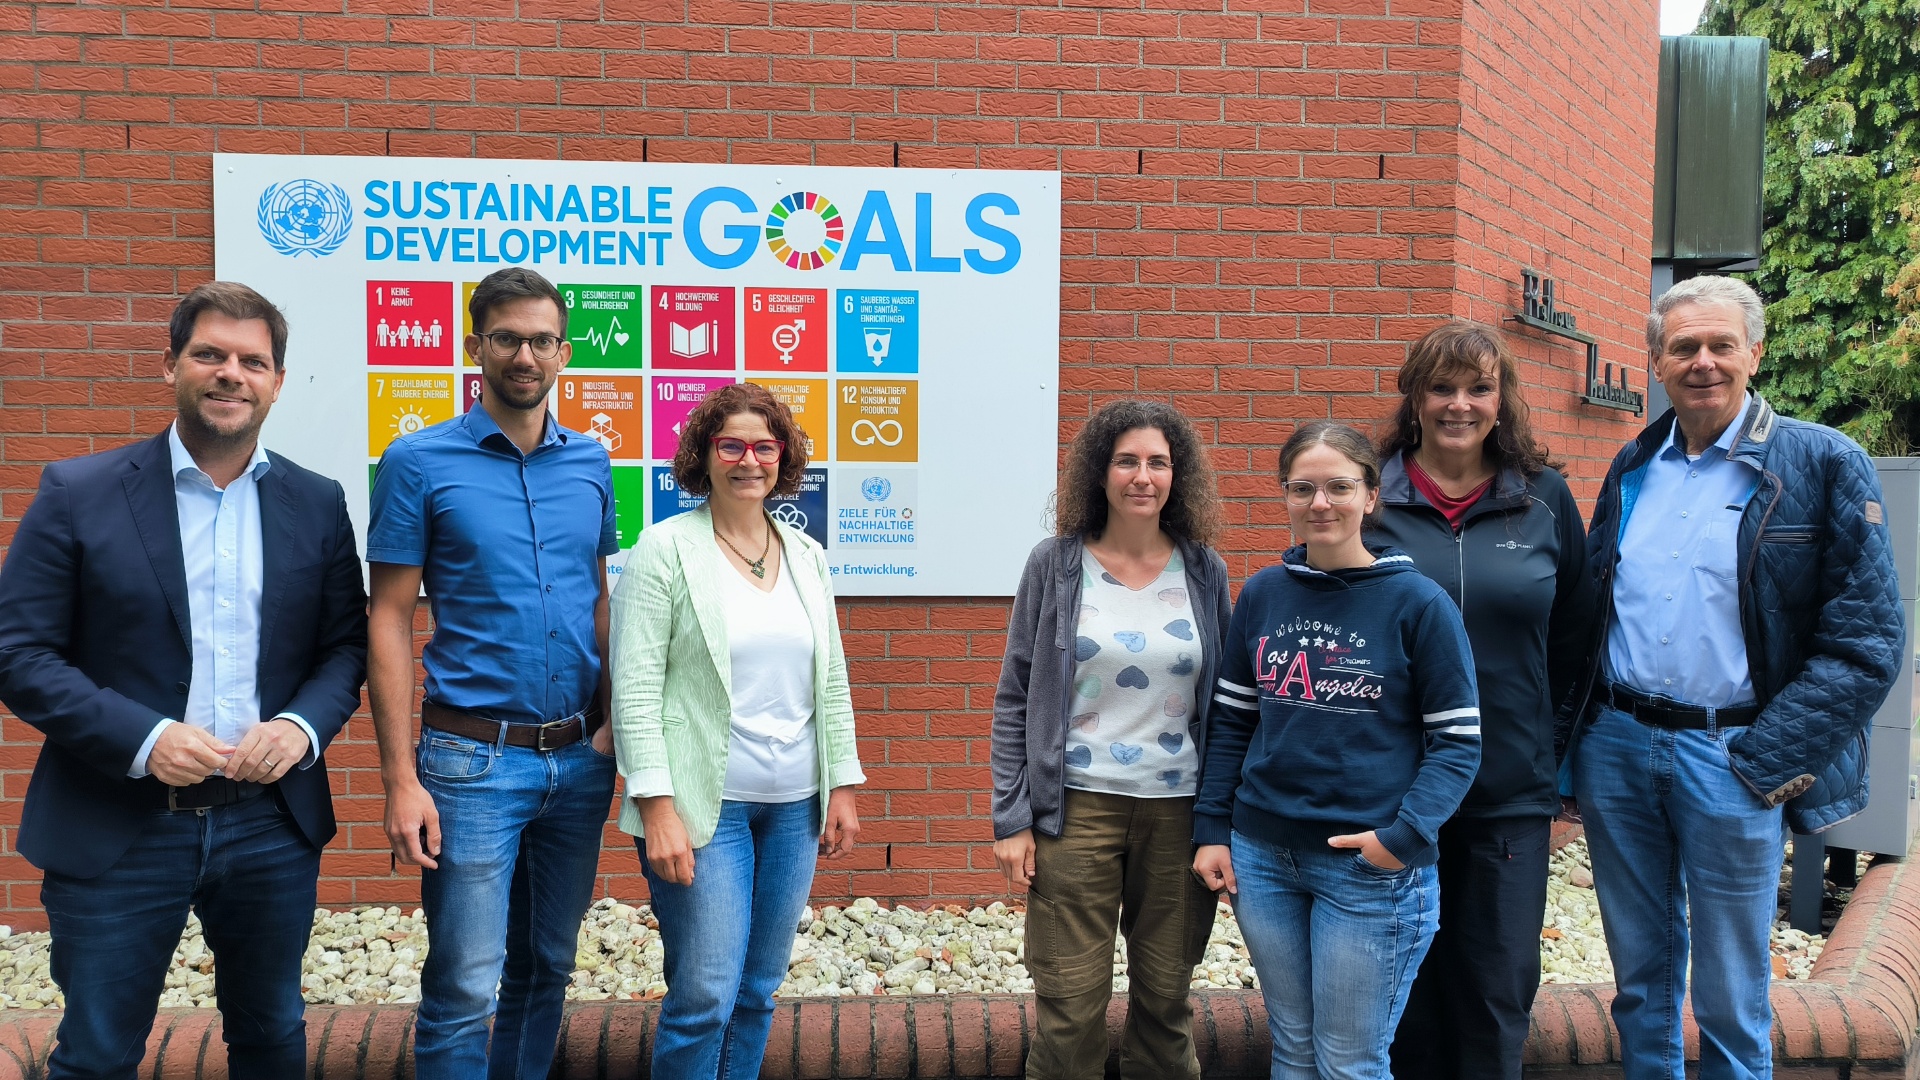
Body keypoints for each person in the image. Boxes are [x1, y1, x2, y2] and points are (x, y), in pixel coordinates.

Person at [0, 282, 368, 1078]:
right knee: (97, 1053)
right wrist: (146, 738)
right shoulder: (79, 492)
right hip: (118, 820)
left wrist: (300, 729)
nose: (231, 373)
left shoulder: (316, 501)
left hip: (269, 822)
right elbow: (19, 653)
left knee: (271, 1037)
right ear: (171, 363)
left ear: (276, 380)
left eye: (252, 361)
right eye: (210, 354)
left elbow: (345, 648)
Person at [1560, 275, 1903, 1080]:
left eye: (1721, 345)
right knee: (1640, 980)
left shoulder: (1822, 462)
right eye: (1683, 347)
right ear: (1655, 360)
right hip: (1616, 746)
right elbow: (1594, 607)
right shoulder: (1633, 461)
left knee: (1729, 988)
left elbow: (1868, 644)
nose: (1703, 362)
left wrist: (1764, 758)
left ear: (1755, 351)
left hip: (1735, 755)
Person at [366, 267, 619, 1079]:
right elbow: (390, 617)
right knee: (465, 985)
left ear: (564, 351)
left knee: (547, 968)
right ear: (475, 345)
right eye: (507, 338)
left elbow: (601, 598)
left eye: (542, 340)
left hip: (578, 763)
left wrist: (615, 722)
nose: (525, 355)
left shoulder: (591, 461)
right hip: (470, 763)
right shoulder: (417, 461)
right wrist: (400, 778)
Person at [1192, 421, 1481, 1080]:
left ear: (1371, 497)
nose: (1320, 503)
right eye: (1303, 488)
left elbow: (1458, 742)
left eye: (1339, 487)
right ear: (1286, 497)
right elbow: (1233, 722)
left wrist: (1405, 836)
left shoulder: (1418, 604)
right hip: (1263, 859)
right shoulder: (1265, 592)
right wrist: (1212, 828)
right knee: (1293, 1051)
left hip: (1368, 870)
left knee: (1350, 1061)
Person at [608, 382, 864, 1080]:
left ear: (782, 458)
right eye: (731, 445)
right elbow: (632, 687)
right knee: (705, 993)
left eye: (763, 446)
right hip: (701, 808)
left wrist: (842, 783)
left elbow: (831, 677)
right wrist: (655, 806)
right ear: (704, 455)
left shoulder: (806, 555)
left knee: (757, 991)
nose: (748, 460)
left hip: (794, 808)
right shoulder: (664, 549)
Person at [1370, 322, 1592, 1080]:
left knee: (1497, 995)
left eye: (1478, 388)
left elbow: (1577, 650)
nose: (1459, 404)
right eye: (1441, 387)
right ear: (1414, 397)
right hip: (1390, 794)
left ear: (1503, 400)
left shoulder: (1545, 500)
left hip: (1507, 798)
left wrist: (1552, 773)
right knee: (1405, 994)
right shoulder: (1369, 499)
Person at [990, 400, 1232, 1080]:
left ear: (1176, 475)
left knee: (1166, 997)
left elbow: (1229, 704)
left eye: (1158, 462)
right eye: (1127, 460)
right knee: (1069, 1000)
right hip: (1077, 808)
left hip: (1178, 810)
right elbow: (1016, 696)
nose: (1142, 476)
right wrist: (1013, 818)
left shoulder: (1204, 569)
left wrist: (1222, 818)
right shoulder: (1058, 565)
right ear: (1101, 471)